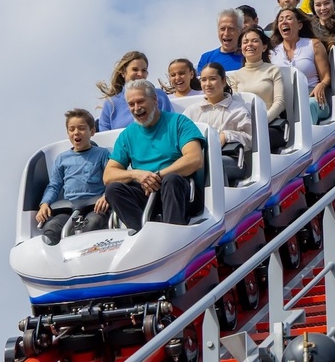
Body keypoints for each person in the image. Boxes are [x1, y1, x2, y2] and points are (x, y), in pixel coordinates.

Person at [104, 80, 206, 230]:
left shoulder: (178, 122)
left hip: (181, 192)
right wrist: (136, 174)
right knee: (113, 189)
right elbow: (108, 175)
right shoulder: (127, 135)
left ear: (154, 100)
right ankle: (143, 233)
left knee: (171, 180)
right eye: (131, 104)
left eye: (140, 102)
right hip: (145, 192)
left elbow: (195, 159)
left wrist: (158, 176)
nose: (136, 108)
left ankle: (174, 233)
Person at [35, 108, 110, 245]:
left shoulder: (102, 154)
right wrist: (44, 204)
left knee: (94, 222)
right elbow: (54, 185)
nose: (76, 132)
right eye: (72, 129)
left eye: (81, 128)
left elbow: (111, 179)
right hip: (69, 208)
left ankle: (87, 250)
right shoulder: (62, 159)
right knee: (52, 227)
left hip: (95, 207)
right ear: (68, 132)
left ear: (92, 131)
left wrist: (106, 196)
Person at [270, 6, 331, 124]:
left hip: (312, 98)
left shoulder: (313, 44)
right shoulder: (272, 53)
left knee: (307, 106)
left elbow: (326, 76)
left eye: (288, 18)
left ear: (299, 25)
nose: (284, 22)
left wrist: (322, 85)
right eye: (281, 19)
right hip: (286, 101)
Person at [230, 26, 287, 150]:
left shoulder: (273, 70)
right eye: (245, 42)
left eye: (255, 41)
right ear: (241, 48)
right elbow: (234, 106)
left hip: (269, 125)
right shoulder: (235, 76)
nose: (250, 44)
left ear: (264, 47)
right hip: (244, 127)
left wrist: (261, 122)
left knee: (260, 137)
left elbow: (280, 102)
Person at [97, 51, 174, 131]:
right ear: (123, 72)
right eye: (135, 70)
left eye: (144, 70)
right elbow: (104, 135)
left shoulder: (159, 95)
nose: (140, 74)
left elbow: (171, 123)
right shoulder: (110, 104)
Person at [184, 63, 252, 148]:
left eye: (212, 79)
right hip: (197, 157)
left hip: (227, 157)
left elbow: (250, 138)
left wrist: (227, 136)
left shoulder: (238, 110)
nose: (208, 84)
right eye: (203, 80)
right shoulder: (191, 111)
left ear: (223, 81)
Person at [197, 8, 245, 73]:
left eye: (231, 29)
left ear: (240, 31)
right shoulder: (206, 58)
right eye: (222, 29)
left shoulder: (248, 56)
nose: (226, 33)